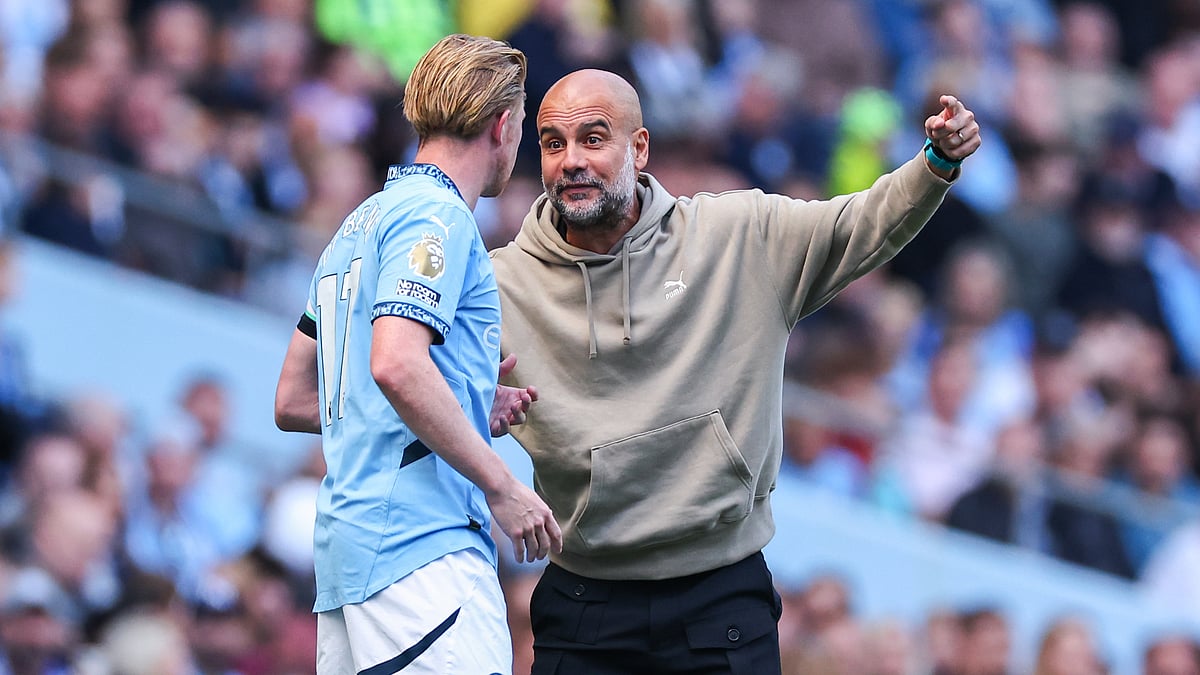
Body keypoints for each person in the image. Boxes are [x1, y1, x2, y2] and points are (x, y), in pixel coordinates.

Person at [488, 68, 979, 674]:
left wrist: (935, 163)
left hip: (720, 595)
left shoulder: (737, 233)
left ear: (639, 149)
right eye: (553, 143)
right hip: (583, 602)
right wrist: (481, 438)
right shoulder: (497, 283)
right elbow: (410, 381)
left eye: (593, 139)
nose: (571, 161)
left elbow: (859, 223)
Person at [272, 34, 562, 675]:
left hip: (349, 558)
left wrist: (458, 403)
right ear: (502, 124)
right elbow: (397, 364)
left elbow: (295, 399)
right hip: (420, 550)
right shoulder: (437, 218)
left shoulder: (359, 223)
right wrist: (502, 485)